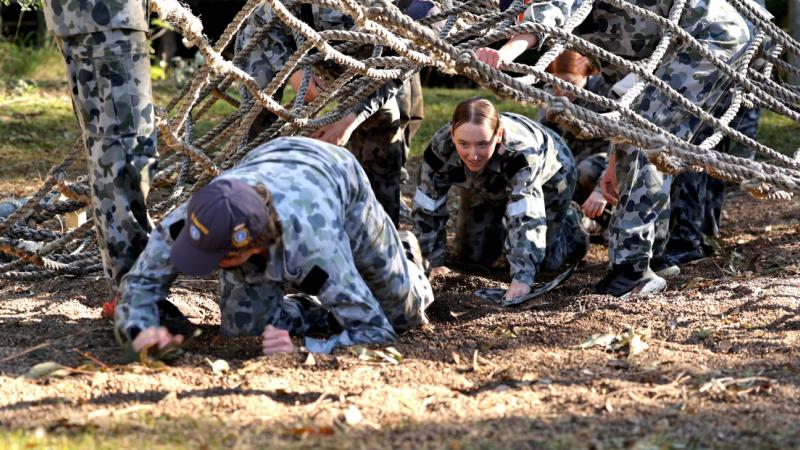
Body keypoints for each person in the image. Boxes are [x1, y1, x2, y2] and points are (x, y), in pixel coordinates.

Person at [477, 0, 752, 296]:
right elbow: (624, 110)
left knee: (646, 137)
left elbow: (546, 15)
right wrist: (611, 164)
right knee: (639, 137)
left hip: (707, 38)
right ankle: (653, 257)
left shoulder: (570, 9)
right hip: (681, 47)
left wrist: (504, 53)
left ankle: (632, 270)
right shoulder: (594, 36)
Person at [115, 136, 433, 355]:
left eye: (214, 257)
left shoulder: (313, 246)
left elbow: (374, 333)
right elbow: (141, 282)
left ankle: (405, 258)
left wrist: (305, 348)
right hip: (269, 159)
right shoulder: (195, 219)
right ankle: (325, 307)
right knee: (246, 331)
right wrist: (138, 328)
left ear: (252, 248)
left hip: (335, 175)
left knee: (400, 317)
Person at [235, 1, 437, 226]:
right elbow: (265, 16)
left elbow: (395, 73)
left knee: (384, 124)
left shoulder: (423, 18)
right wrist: (294, 70)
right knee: (259, 112)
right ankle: (249, 207)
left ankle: (378, 230)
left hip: (359, 56)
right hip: (277, 38)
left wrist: (348, 121)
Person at [412, 97, 588, 302]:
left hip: (552, 174)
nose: (473, 154)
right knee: (473, 257)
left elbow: (527, 213)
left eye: (482, 144)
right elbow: (427, 206)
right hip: (483, 180)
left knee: (546, 263)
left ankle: (570, 222)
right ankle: (505, 231)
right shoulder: (439, 149)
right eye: (463, 144)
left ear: (499, 135)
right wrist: (431, 262)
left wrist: (522, 278)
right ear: (452, 134)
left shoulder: (521, 153)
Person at [42, 0, 158, 294]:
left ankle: (129, 286)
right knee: (127, 152)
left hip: (93, 18)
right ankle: (139, 292)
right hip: (108, 16)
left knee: (110, 151)